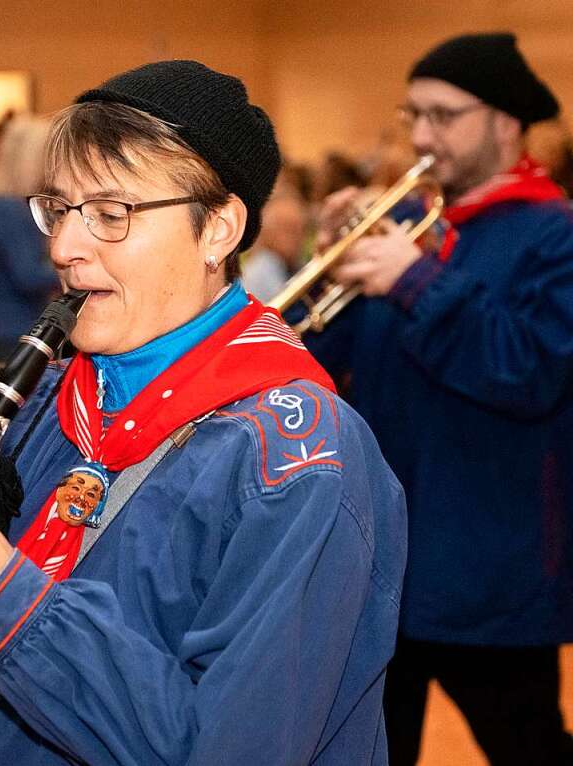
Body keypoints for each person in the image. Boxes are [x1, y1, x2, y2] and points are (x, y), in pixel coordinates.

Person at [0, 60, 408, 765]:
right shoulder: (48, 400)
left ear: (219, 229)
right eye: (58, 209)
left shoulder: (303, 463)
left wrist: (8, 604)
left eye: (111, 215)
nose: (63, 247)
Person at [304, 33, 573, 765]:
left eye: (444, 115)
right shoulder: (421, 229)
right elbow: (318, 358)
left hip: (492, 572)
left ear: (505, 123)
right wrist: (336, 266)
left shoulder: (554, 234)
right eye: (412, 114)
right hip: (387, 560)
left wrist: (412, 280)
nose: (422, 136)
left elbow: (530, 372)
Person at [0, 115, 58, 364]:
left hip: (16, 326)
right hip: (15, 330)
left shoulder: (7, 205)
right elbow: (28, 275)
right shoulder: (8, 208)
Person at [240, 193, 308, 303]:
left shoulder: (297, 265)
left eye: (302, 229)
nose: (298, 237)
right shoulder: (261, 269)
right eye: (289, 229)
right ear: (269, 232)